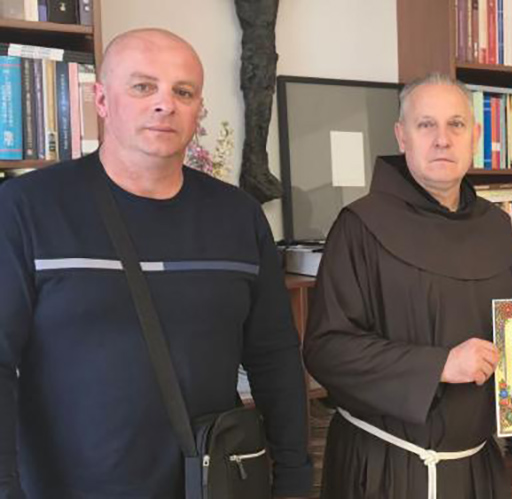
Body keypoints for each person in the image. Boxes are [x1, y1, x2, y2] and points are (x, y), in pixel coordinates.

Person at [0, 29, 312, 498]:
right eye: (143, 87)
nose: (165, 104)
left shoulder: (238, 217)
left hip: (210, 484)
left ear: (198, 109)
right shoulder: (27, 207)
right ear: (102, 100)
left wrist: (293, 478)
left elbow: (275, 358)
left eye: (183, 92)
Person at [302, 73, 512, 499]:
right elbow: (327, 350)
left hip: (476, 468)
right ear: (402, 136)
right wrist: (439, 366)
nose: (442, 140)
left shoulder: (497, 227)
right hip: (385, 468)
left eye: (456, 124)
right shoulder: (360, 225)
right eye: (426, 125)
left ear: (475, 136)